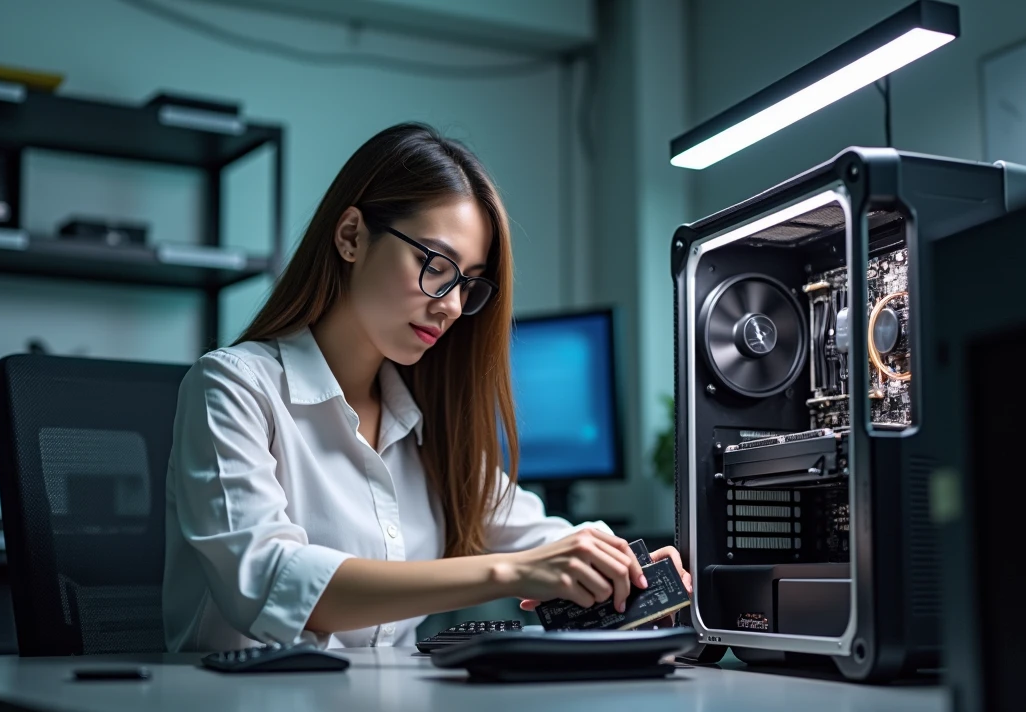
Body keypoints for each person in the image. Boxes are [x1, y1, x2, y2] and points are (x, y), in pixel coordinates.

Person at [162, 122, 692, 652]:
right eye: (435, 266)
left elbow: (535, 535)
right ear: (351, 237)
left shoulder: (426, 423)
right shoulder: (233, 387)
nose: (452, 306)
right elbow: (272, 582)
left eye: (467, 282)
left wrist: (622, 563)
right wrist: (509, 572)